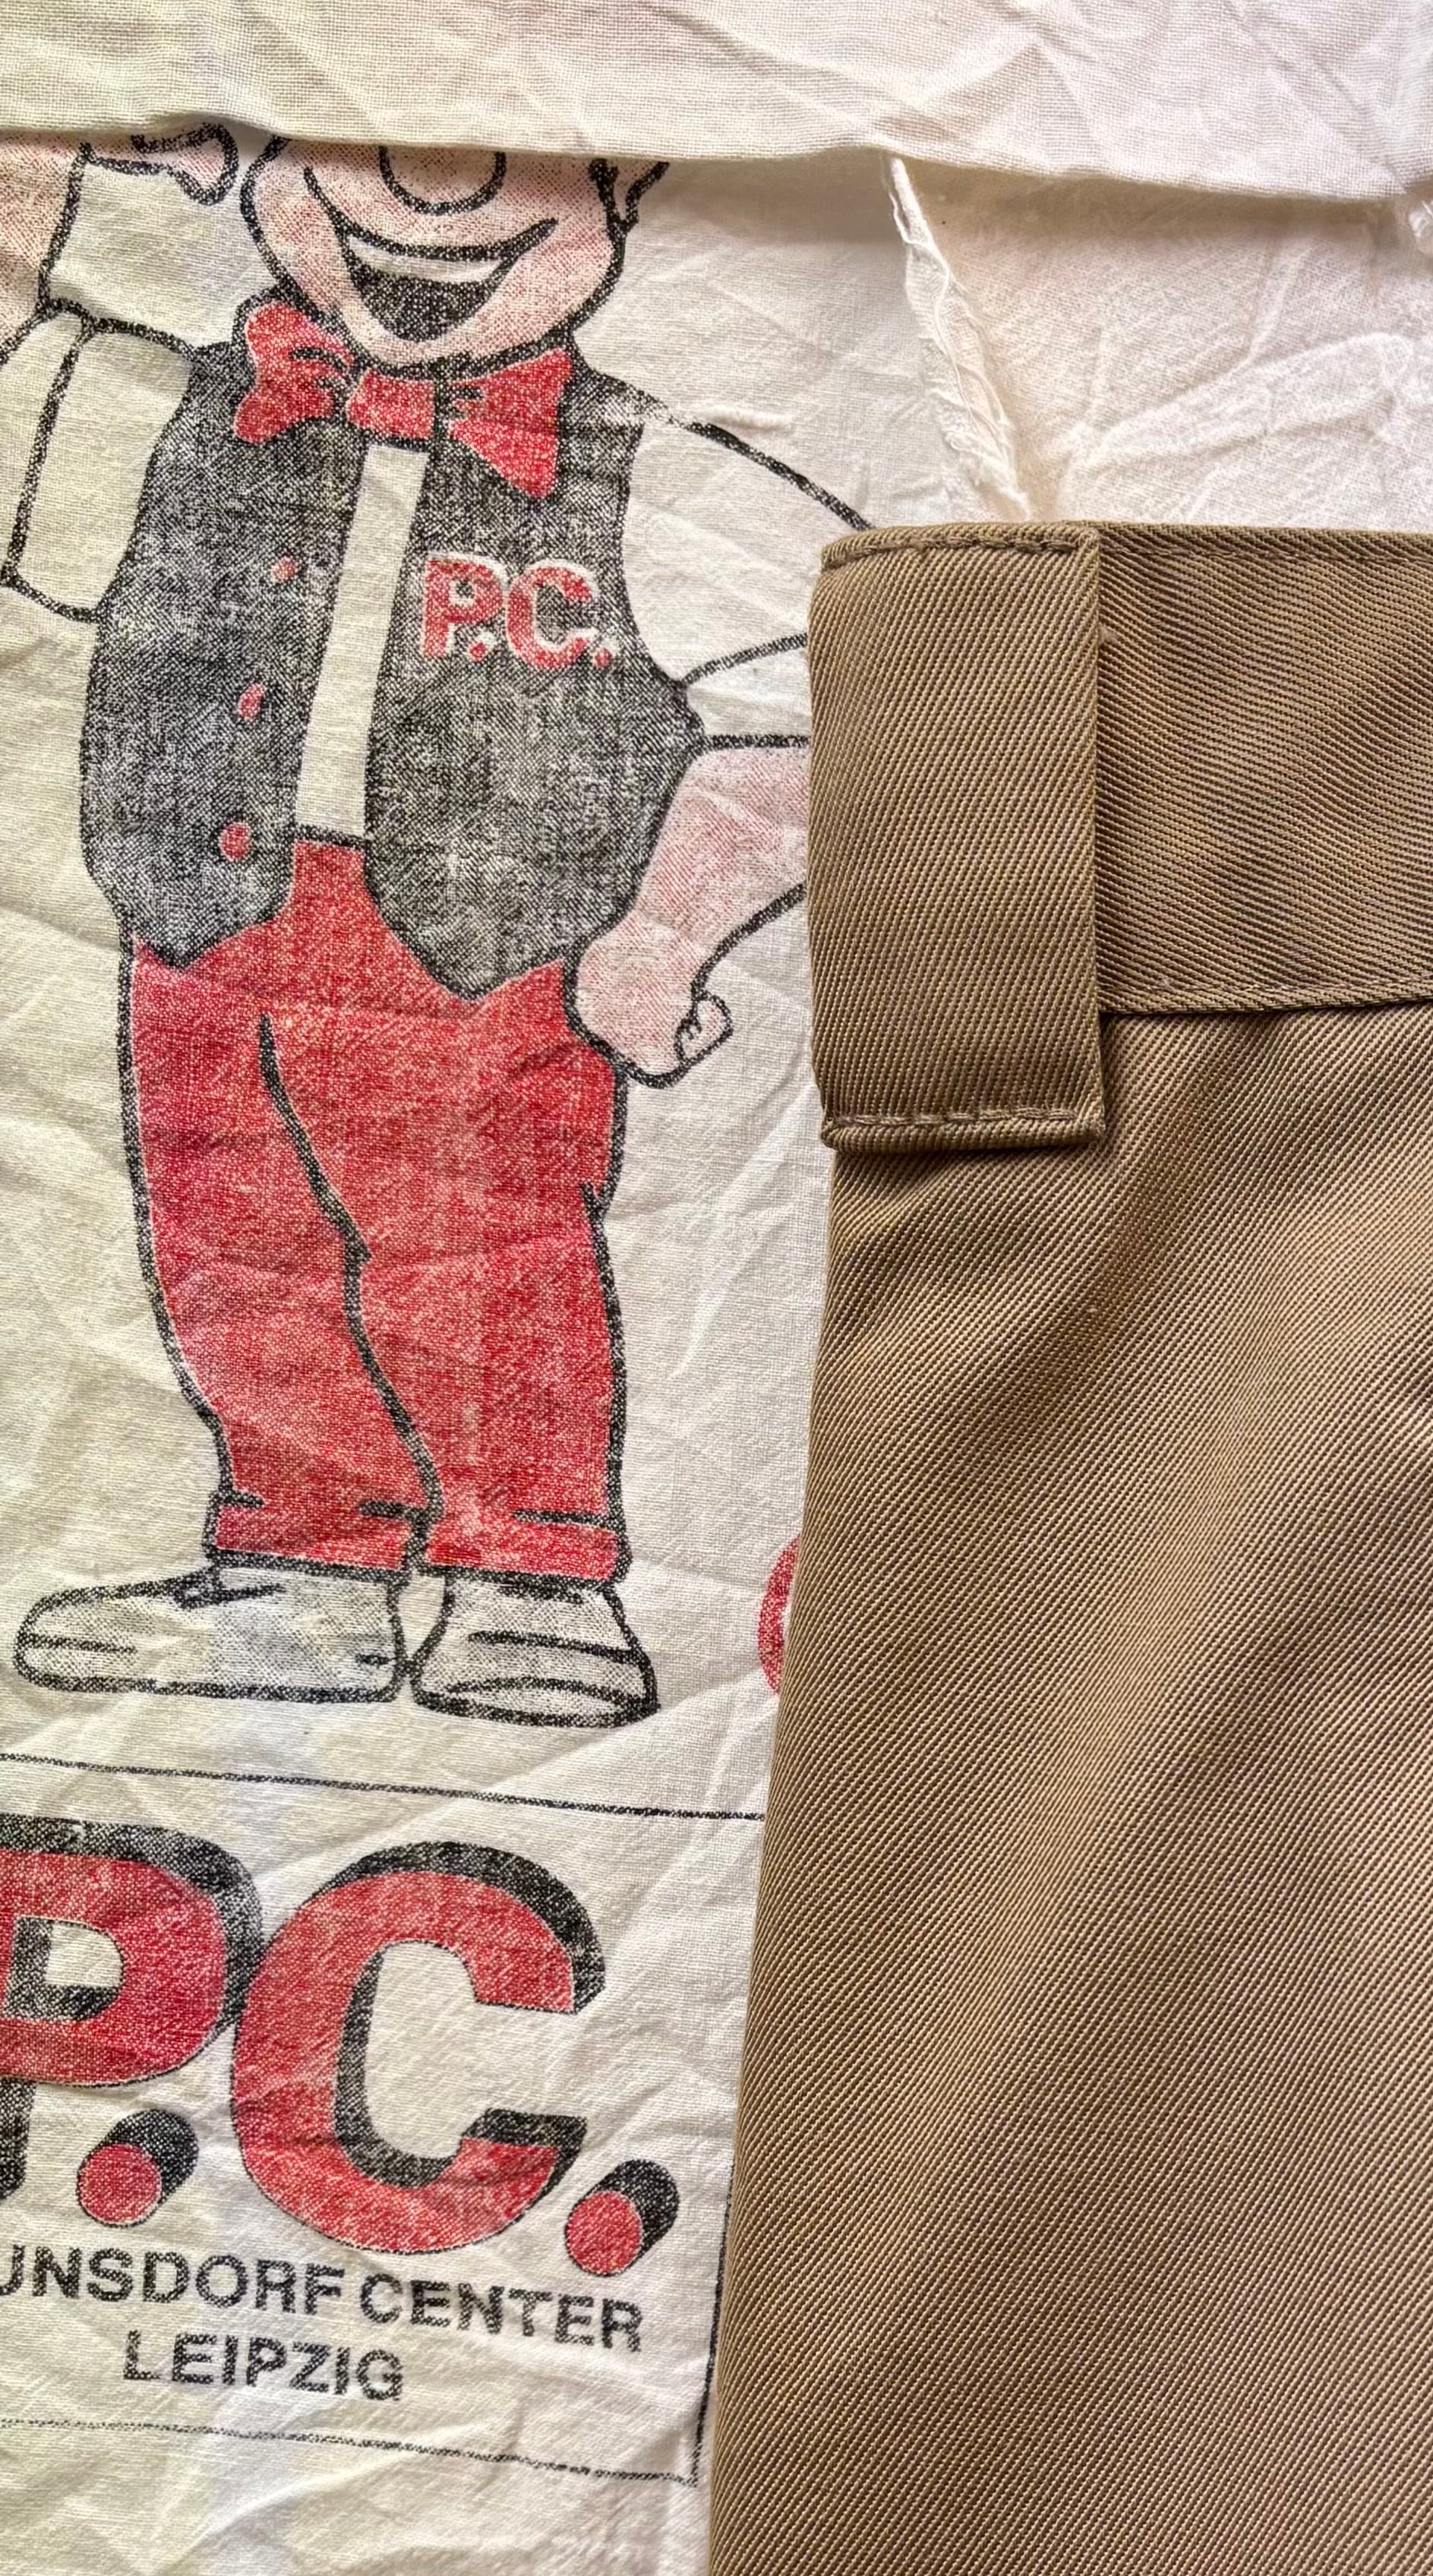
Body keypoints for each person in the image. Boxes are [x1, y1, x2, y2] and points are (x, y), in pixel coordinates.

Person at [0, 138, 851, 1723]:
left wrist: (663, 935)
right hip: (203, 914)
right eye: (361, 161)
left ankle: (529, 1580)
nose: (422, 211)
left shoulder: (648, 472)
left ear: (617, 196)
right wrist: (55, 158)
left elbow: (838, 693)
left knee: (485, 1257)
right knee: (234, 1246)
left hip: (489, 949)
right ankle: (300, 1570)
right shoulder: (170, 417)